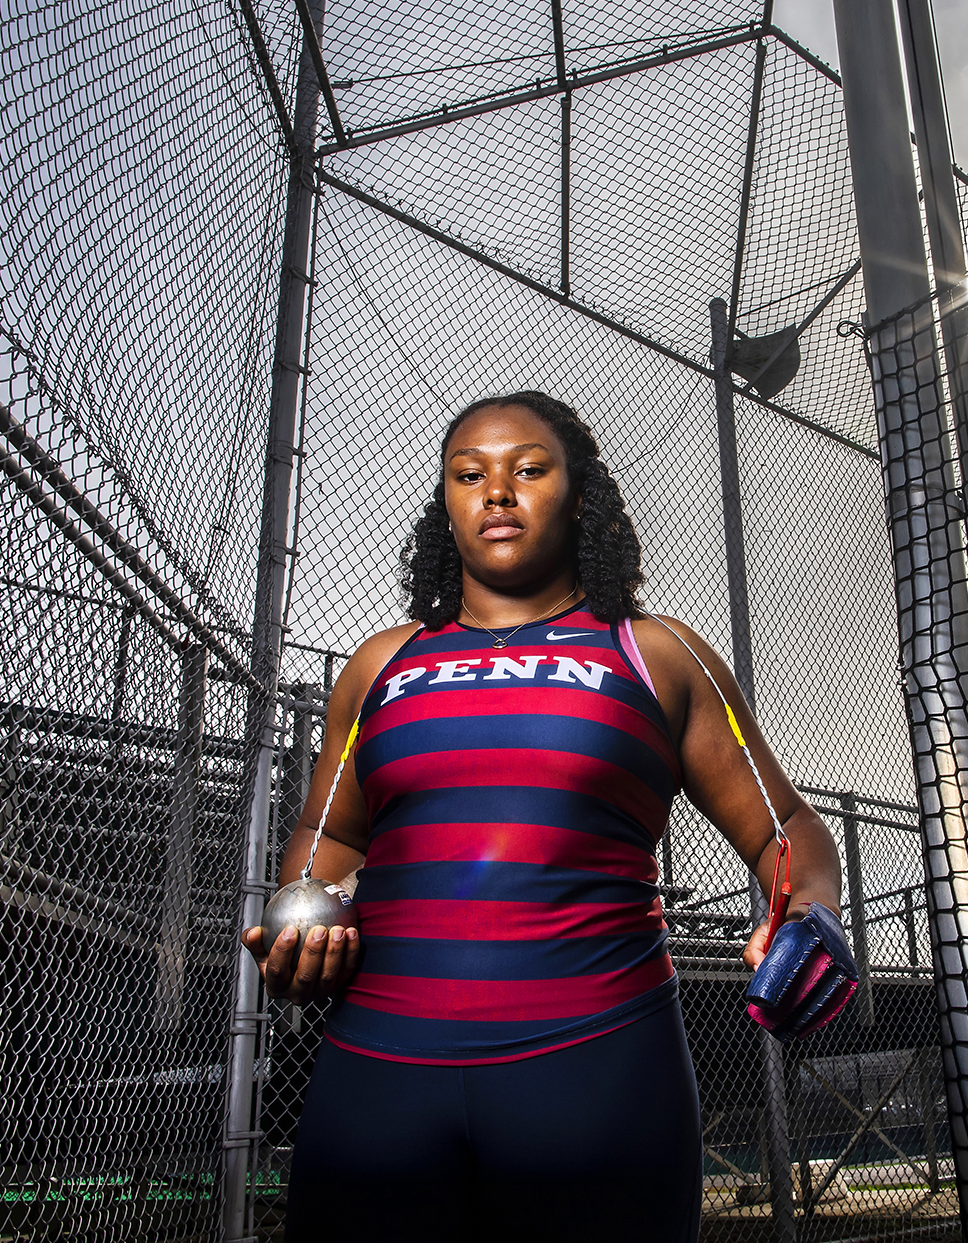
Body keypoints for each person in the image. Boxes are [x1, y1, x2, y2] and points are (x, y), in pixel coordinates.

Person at [242, 390, 844, 1242]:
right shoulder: (381, 662)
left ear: (579, 493)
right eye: (468, 474)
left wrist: (810, 909)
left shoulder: (655, 651)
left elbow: (785, 826)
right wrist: (305, 911)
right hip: (378, 1073)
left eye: (527, 469)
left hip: (598, 1068)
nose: (496, 492)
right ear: (446, 502)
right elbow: (331, 836)